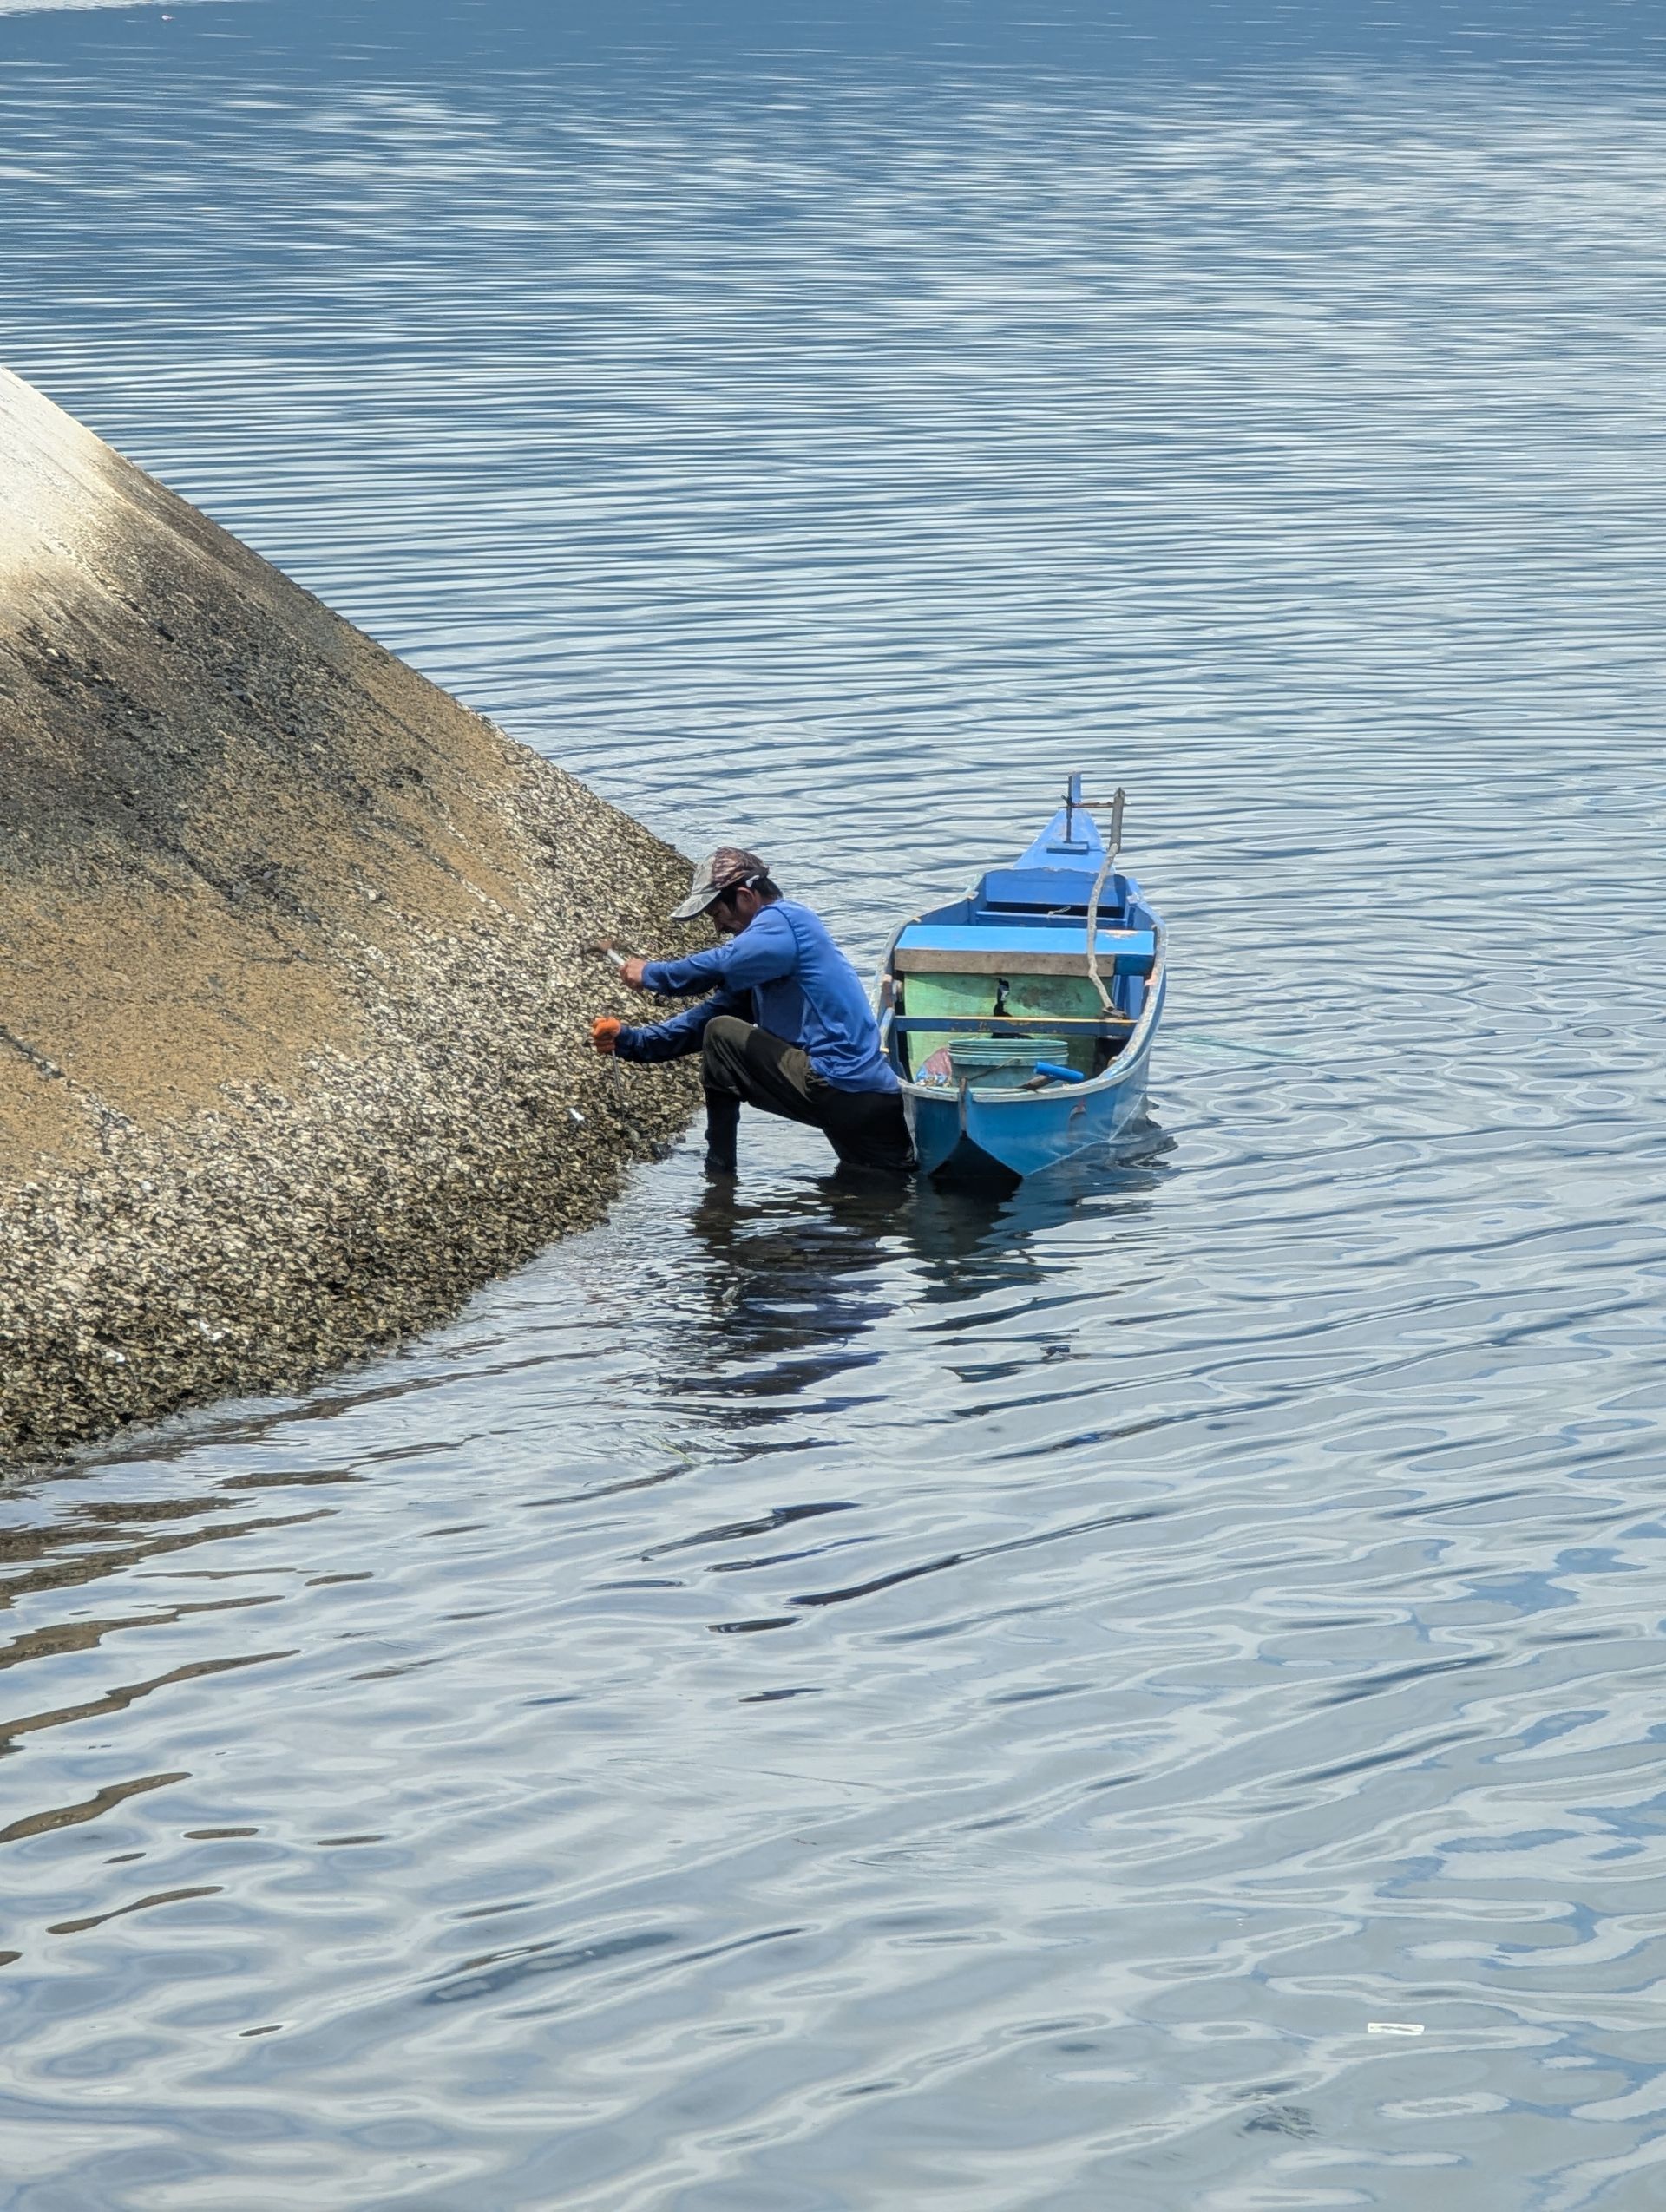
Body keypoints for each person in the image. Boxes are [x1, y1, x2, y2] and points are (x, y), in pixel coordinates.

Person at [590, 846, 913, 1177]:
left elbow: (719, 967)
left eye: (717, 914)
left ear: (745, 897)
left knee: (722, 1034)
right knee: (878, 1197)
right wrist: (630, 1041)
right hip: (872, 1095)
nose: (718, 928)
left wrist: (651, 974)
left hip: (833, 1082)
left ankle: (718, 1179)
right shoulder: (766, 960)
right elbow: (701, 1021)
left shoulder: (784, 920)